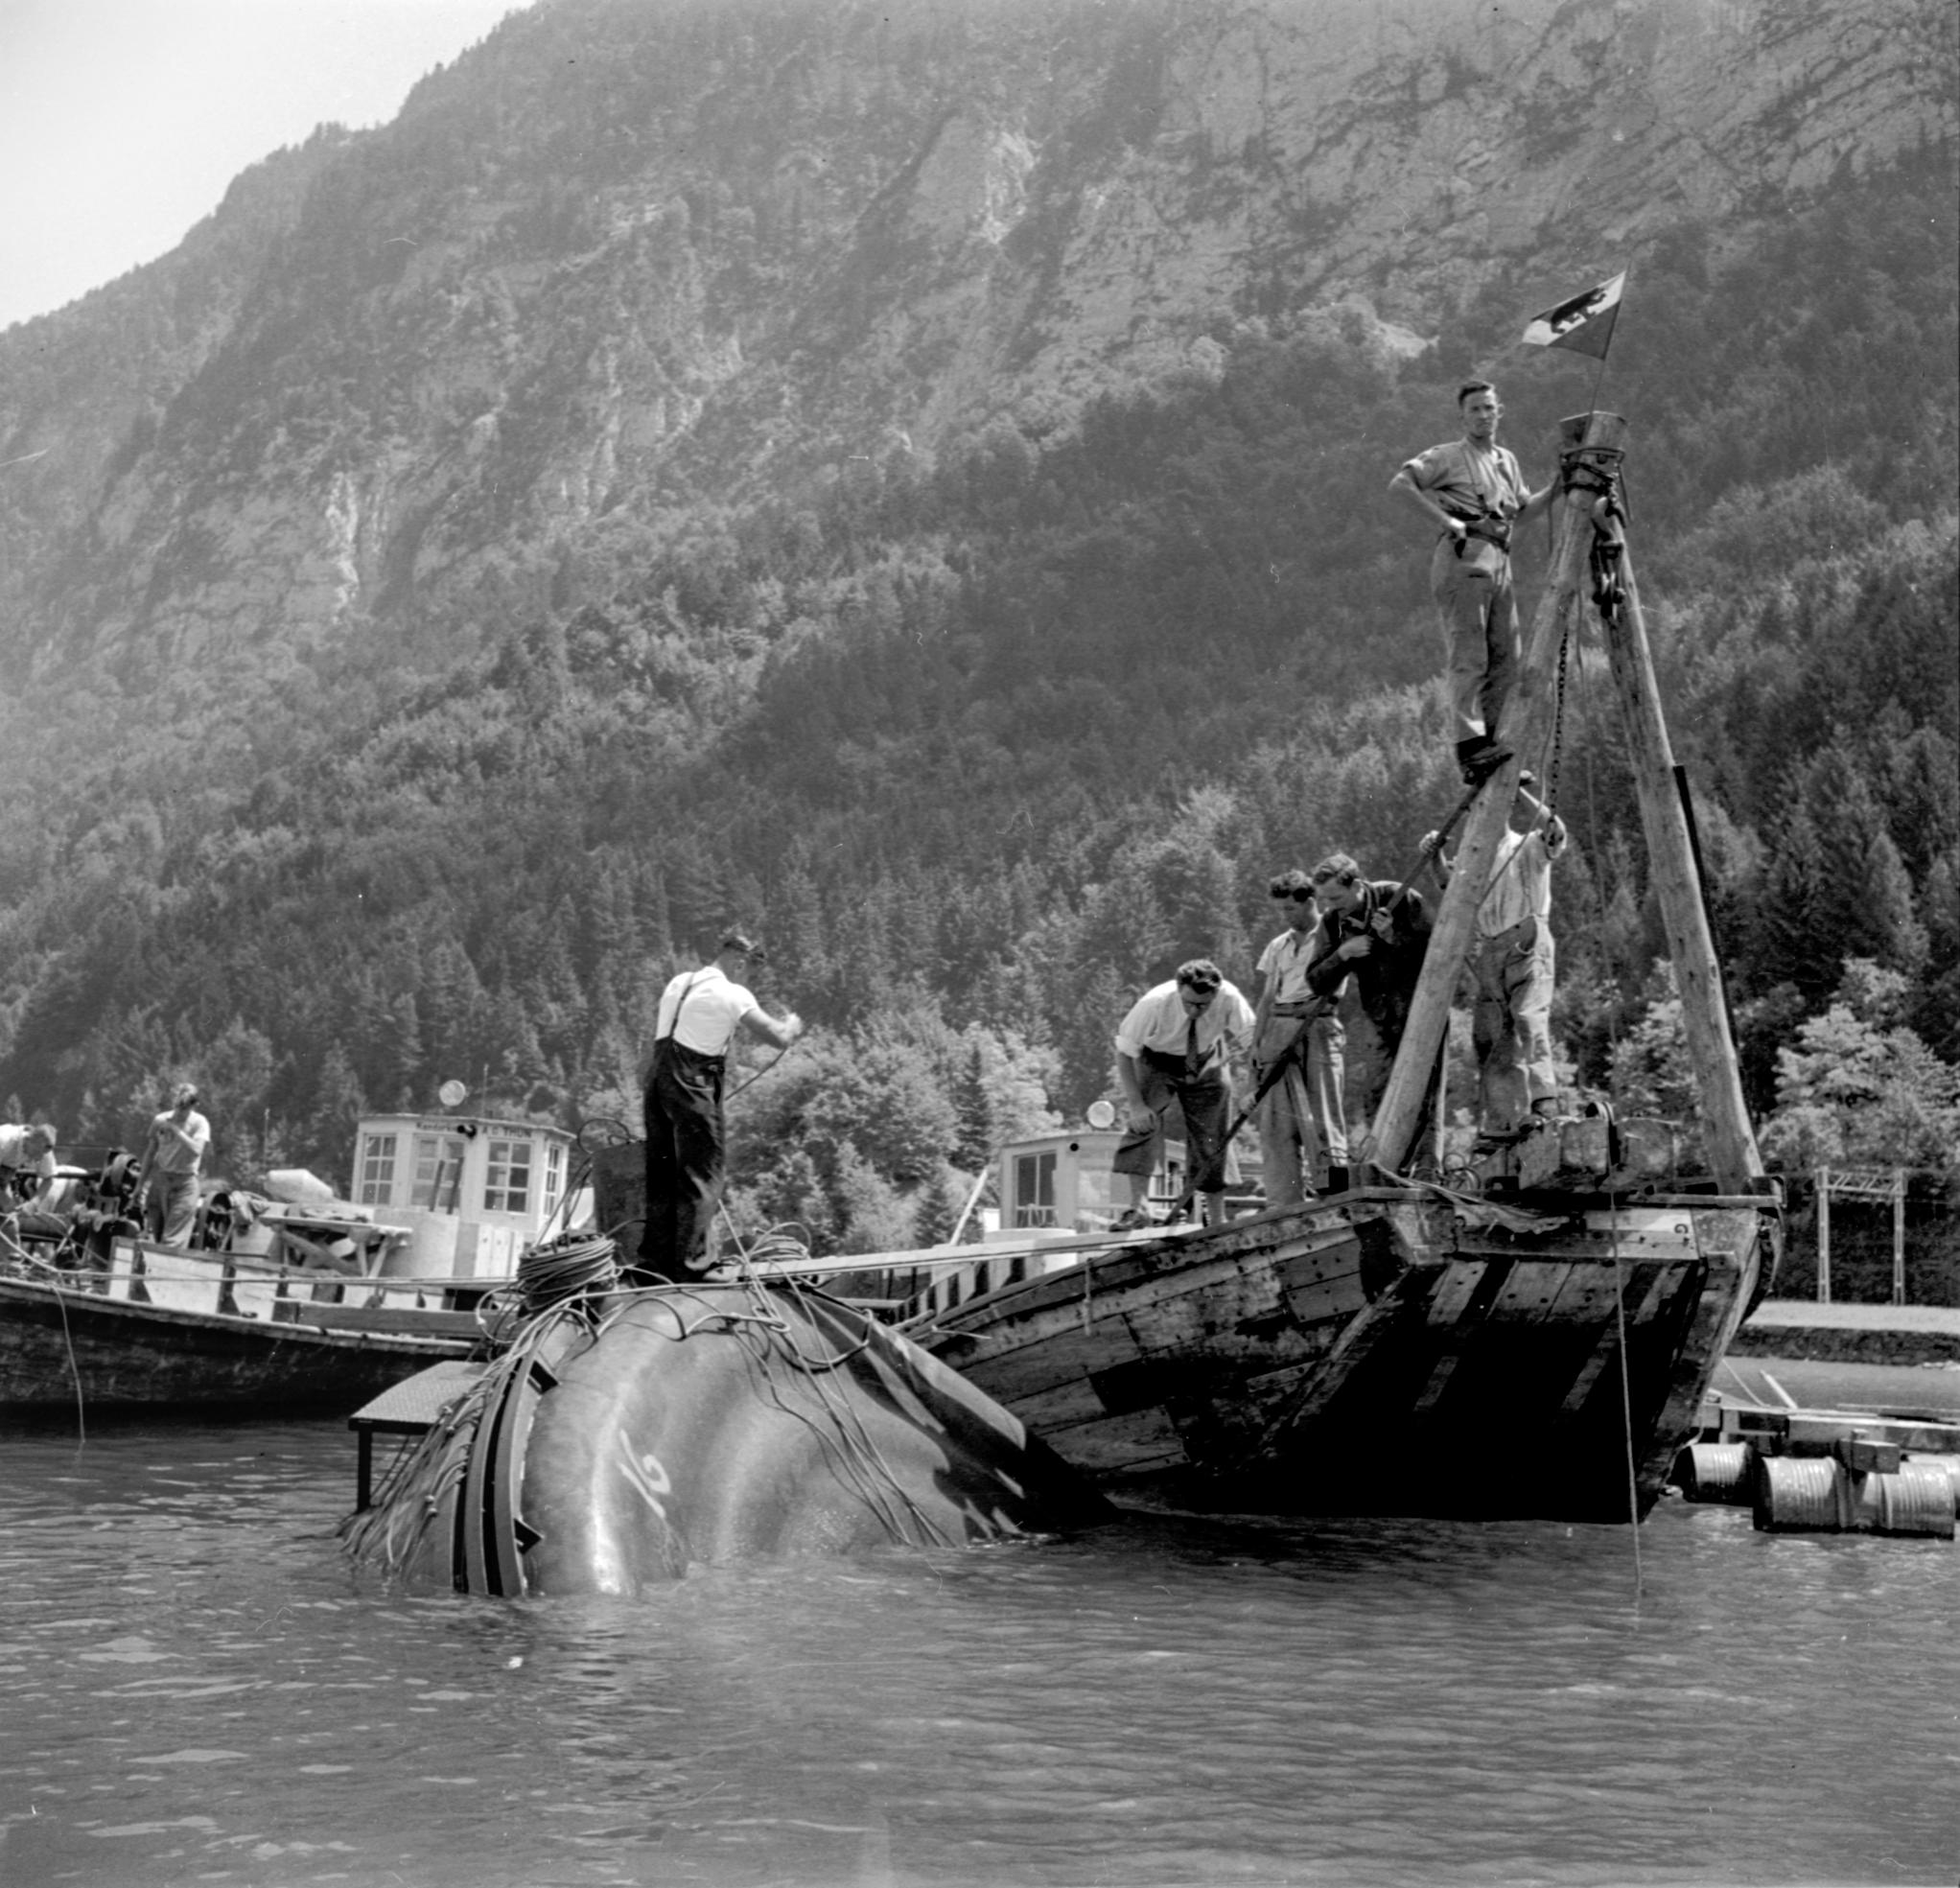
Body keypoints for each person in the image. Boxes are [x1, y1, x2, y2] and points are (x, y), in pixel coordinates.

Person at [1389, 382, 1552, 784]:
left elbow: (1523, 509)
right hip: (1465, 558)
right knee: (1470, 655)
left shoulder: (1506, 461)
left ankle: (1499, 744)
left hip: (1499, 559)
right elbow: (1401, 484)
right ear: (1463, 417)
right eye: (1475, 409)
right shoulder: (1448, 456)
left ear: (1500, 412)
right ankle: (1470, 748)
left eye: (1489, 408)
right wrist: (1446, 521)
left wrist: (1564, 483)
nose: (1483, 415)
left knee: (1506, 660)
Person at [639, 931, 802, 1285]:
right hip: (693, 1083)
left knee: (663, 1173)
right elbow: (777, 1037)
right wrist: (792, 1026)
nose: (749, 981)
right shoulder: (732, 992)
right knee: (702, 1173)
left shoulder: (679, 983)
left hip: (656, 1083)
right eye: (750, 973)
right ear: (739, 962)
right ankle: (695, 1265)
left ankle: (653, 1264)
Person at [1424, 783, 1571, 1139]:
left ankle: (1544, 1103)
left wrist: (1519, 792)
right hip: (1491, 950)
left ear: (1503, 810)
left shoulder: (1528, 845)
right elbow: (1450, 885)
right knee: (1493, 1037)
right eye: (1475, 811)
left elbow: (1556, 831)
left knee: (1528, 1020)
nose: (1480, 817)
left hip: (1527, 940)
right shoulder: (1474, 858)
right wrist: (1434, 856)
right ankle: (1505, 1120)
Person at [1302, 852, 1439, 1170]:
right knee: (1377, 1092)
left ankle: (1428, 1170)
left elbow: (1437, 949)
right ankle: (1387, 1168)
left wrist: (1393, 937)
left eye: (1335, 897)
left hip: (1421, 1013)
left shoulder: (1399, 898)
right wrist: (1343, 954)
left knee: (1425, 1095)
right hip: (1380, 1019)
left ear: (1357, 886)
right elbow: (1315, 981)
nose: (1329, 905)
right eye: (1323, 899)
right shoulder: (1332, 922)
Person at [1111, 958, 1255, 1227]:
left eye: (1203, 1005)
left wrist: (1252, 1087)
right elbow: (1124, 1052)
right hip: (1158, 1060)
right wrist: (1137, 1106)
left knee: (1214, 1134)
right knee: (1144, 1124)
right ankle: (1137, 1209)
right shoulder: (1154, 1003)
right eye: (1188, 1003)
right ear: (1178, 990)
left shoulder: (1230, 998)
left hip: (1207, 1057)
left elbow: (1254, 1042)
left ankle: (1216, 1218)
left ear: (1216, 993)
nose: (1194, 1010)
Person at [1250, 871, 1349, 1204]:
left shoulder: (1333, 933)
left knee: (1323, 1113)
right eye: (1281, 911)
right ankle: (1283, 1201)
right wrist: (1257, 1043)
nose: (1286, 917)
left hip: (1318, 1023)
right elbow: (1267, 998)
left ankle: (1333, 1195)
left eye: (1291, 909)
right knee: (1277, 1122)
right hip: (1279, 1025)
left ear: (1310, 902)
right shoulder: (1278, 945)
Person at [140, 1084, 212, 1247]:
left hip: (185, 1184)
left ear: (195, 1105)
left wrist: (176, 1130)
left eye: (185, 1108)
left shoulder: (199, 1123)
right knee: (157, 1236)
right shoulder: (160, 1120)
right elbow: (150, 1153)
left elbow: (197, 1149)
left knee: (172, 1240)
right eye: (178, 1107)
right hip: (160, 1182)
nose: (180, 1112)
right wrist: (140, 1185)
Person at [0, 1121, 58, 1208]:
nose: (39, 1158)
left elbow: (48, 1179)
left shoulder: (43, 1149)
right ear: (28, 1139)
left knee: (10, 1218)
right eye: (37, 1152)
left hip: (6, 1175)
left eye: (43, 1154)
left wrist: (33, 1204)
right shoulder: (4, 1139)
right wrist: (7, 1203)